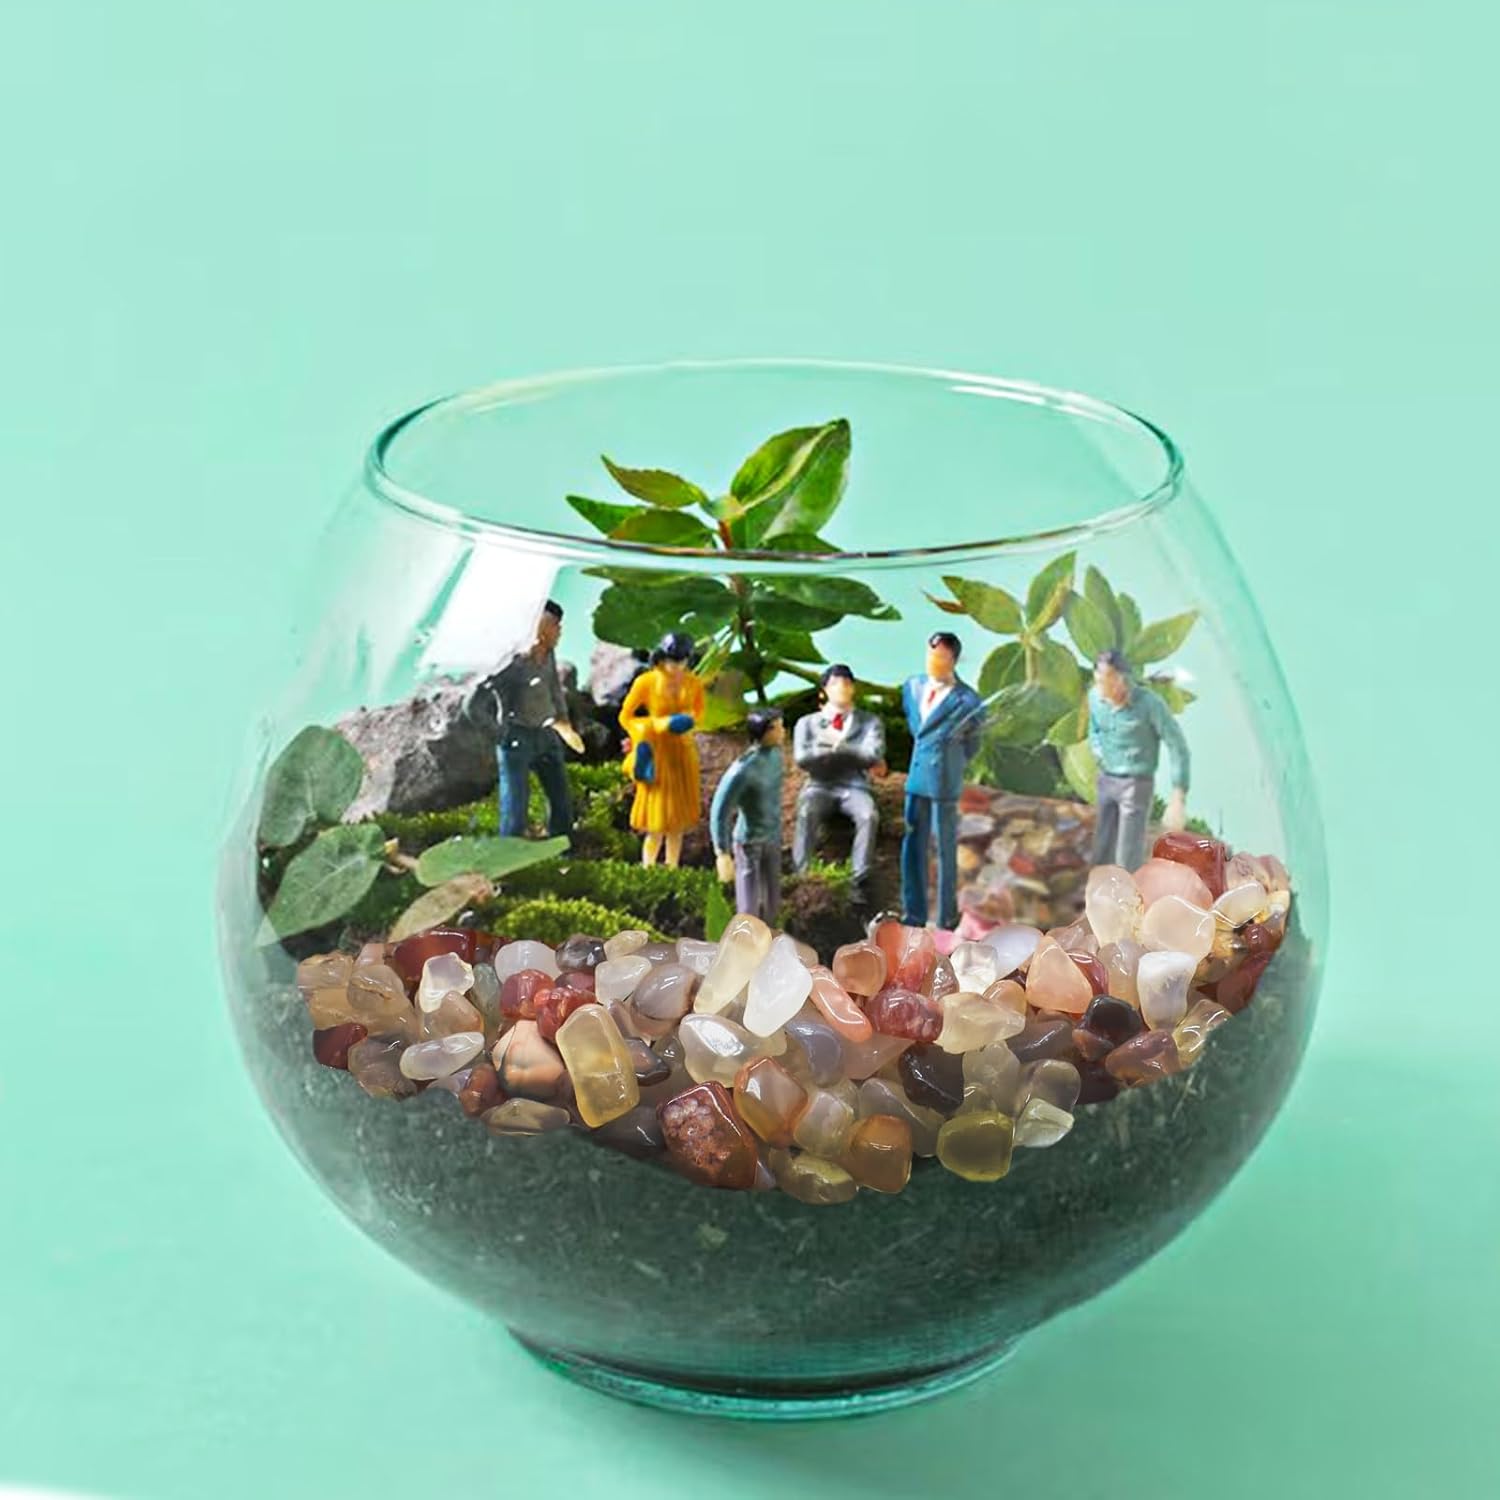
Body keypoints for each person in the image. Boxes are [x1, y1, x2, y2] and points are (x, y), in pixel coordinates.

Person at [900, 631, 984, 929]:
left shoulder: (967, 700)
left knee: (944, 845)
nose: (934, 662)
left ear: (953, 661)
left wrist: (954, 763)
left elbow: (973, 743)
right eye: (931, 655)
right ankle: (913, 912)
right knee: (912, 841)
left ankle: (946, 915)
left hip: (944, 777)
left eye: (941, 658)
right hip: (917, 774)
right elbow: (916, 727)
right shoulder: (912, 686)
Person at [1088, 648, 1190, 871]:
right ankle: (1098, 888)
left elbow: (1177, 746)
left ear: (1121, 679)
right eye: (1098, 681)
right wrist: (1099, 752)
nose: (1101, 689)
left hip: (1135, 784)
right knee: (1102, 847)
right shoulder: (1095, 698)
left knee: (1127, 853)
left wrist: (1178, 795)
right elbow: (1093, 729)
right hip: (1106, 778)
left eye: (1106, 682)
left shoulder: (1149, 705)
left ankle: (1129, 888)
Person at [792, 664, 885, 903]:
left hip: (854, 785)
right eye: (835, 684)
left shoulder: (870, 722)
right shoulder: (807, 723)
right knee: (806, 812)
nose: (841, 688)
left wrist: (837, 749)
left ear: (853, 688)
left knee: (868, 816)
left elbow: (872, 755)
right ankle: (802, 875)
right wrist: (841, 753)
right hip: (819, 784)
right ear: (825, 689)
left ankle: (858, 880)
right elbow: (802, 758)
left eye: (846, 683)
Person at [491, 600, 582, 838]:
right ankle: (509, 847)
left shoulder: (548, 654)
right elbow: (489, 692)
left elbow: (554, 688)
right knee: (515, 800)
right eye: (555, 625)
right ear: (540, 626)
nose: (559, 631)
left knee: (560, 794)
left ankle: (562, 840)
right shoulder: (513, 660)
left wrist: (564, 723)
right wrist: (498, 730)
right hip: (516, 736)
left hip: (545, 733)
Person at [618, 631, 705, 868]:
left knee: (677, 820)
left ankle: (672, 866)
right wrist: (652, 727)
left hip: (682, 752)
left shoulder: (693, 683)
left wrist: (689, 720)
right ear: (661, 658)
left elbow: (699, 711)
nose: (676, 667)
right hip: (657, 751)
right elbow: (625, 716)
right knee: (656, 819)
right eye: (672, 660)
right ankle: (648, 865)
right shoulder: (646, 682)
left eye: (682, 661)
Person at [710, 710, 786, 923]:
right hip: (749, 842)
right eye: (777, 727)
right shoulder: (742, 770)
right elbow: (720, 810)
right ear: (763, 732)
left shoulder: (776, 757)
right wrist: (722, 852)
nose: (783, 732)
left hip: (772, 837)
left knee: (773, 898)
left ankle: (771, 933)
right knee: (748, 902)